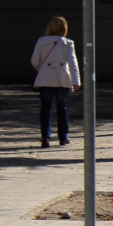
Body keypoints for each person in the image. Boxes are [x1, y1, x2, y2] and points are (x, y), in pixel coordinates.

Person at [30, 16, 81, 148]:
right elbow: (73, 63)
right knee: (62, 108)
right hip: (62, 78)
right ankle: (63, 137)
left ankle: (45, 137)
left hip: (45, 78)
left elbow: (34, 60)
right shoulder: (68, 43)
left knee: (45, 108)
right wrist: (76, 81)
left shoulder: (42, 41)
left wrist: (42, 69)